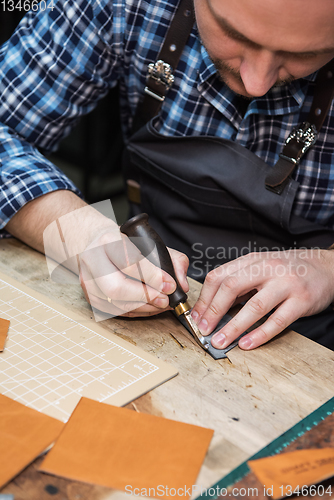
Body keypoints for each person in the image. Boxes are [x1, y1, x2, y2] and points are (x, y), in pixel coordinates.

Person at [1, 0, 334, 351]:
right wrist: (85, 235)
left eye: (308, 53)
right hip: (141, 298)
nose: (256, 83)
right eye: (236, 35)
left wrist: (326, 268)